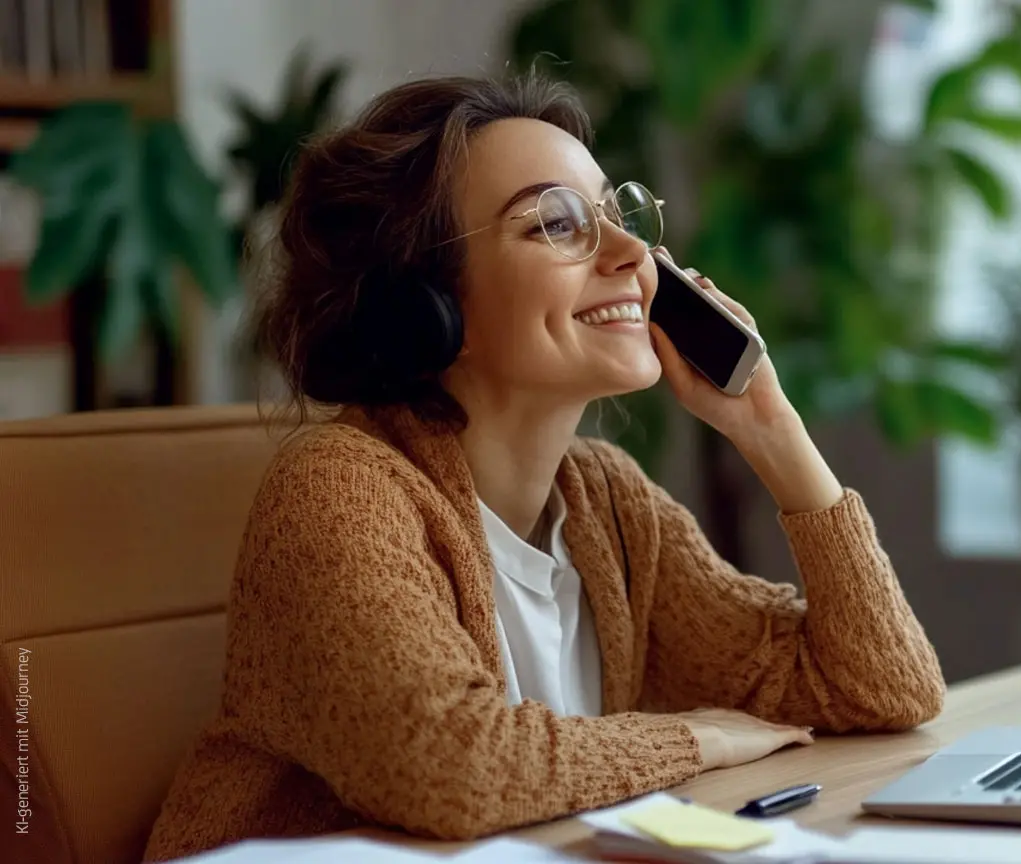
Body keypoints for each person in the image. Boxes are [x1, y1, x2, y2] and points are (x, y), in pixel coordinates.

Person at [142, 72, 945, 863]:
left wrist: (772, 429)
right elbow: (450, 770)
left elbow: (881, 688)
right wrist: (690, 740)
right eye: (557, 225)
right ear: (429, 305)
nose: (634, 254)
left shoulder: (608, 504)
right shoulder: (340, 490)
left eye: (615, 212)